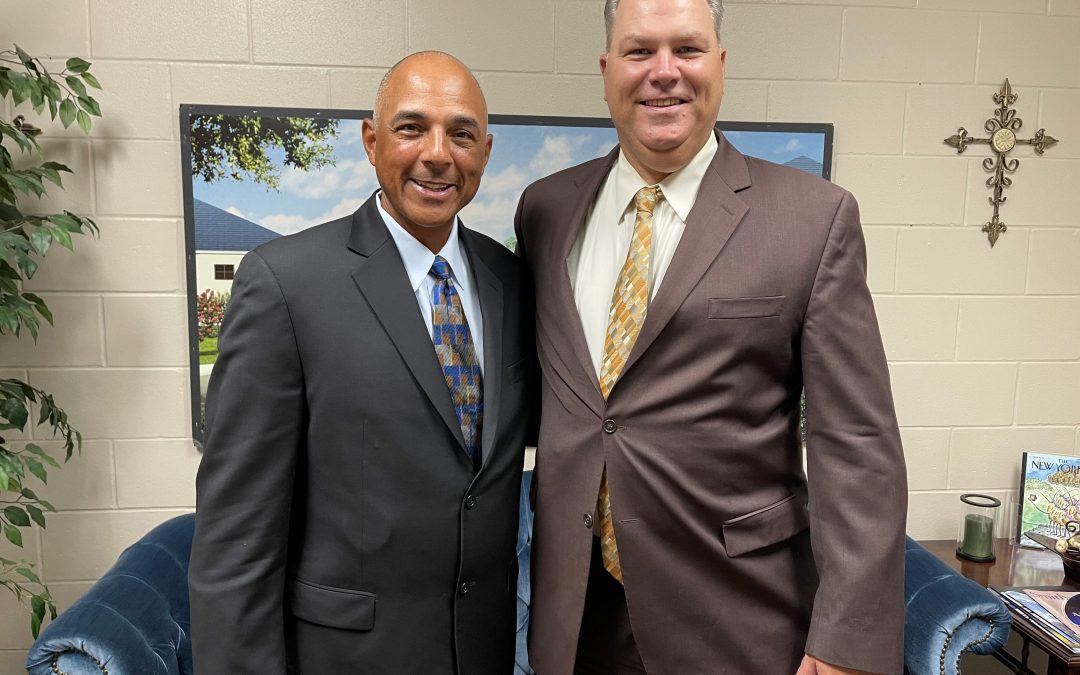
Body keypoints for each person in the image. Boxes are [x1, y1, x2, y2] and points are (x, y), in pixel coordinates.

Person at [514, 0, 908, 673]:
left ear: (720, 65)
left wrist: (845, 640)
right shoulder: (546, 210)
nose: (663, 72)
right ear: (608, 70)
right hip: (577, 620)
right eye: (640, 51)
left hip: (737, 620)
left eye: (687, 50)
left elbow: (858, 448)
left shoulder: (814, 219)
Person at [189, 51, 534, 674]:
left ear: (485, 150)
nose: (437, 153)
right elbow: (234, 543)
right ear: (372, 142)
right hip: (346, 656)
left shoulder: (510, 279)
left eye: (460, 134)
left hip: (482, 652)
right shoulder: (284, 284)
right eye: (411, 128)